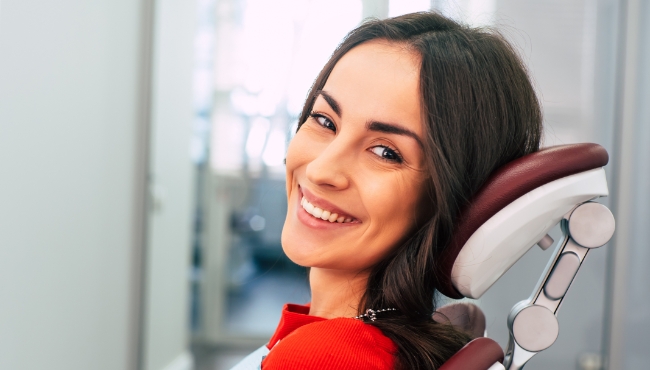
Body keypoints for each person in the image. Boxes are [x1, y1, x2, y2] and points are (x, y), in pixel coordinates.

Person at [232, 11, 542, 370]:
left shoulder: (323, 358)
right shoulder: (362, 342)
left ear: (453, 198)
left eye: (386, 152)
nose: (320, 170)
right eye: (324, 120)